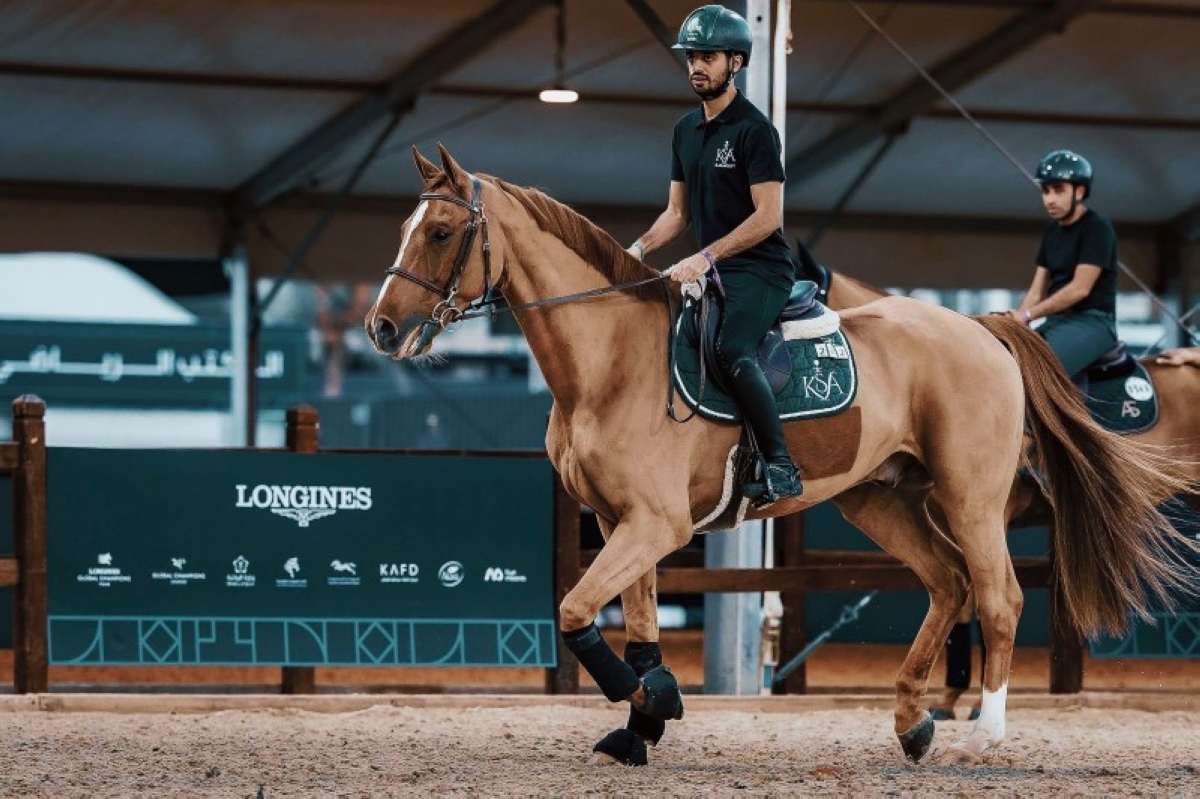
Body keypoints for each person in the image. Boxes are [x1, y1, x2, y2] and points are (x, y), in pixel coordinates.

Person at [627, 4, 802, 506]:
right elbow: (676, 214)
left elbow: (769, 217)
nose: (697, 66)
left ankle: (780, 465)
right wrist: (636, 249)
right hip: (714, 266)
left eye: (708, 56)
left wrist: (705, 257)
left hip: (761, 270)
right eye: (691, 57)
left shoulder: (755, 130)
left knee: (731, 348)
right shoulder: (685, 130)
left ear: (736, 63)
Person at [1008, 150, 1120, 387]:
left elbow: (1080, 289)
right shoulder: (1052, 231)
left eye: (1058, 190)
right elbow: (1037, 291)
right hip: (1058, 321)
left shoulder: (1098, 228)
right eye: (1045, 191)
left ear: (1079, 191)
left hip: (1094, 322)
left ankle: (1070, 425)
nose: (1050, 199)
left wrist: (1028, 315)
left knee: (1040, 370)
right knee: (1008, 359)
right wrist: (1015, 323)